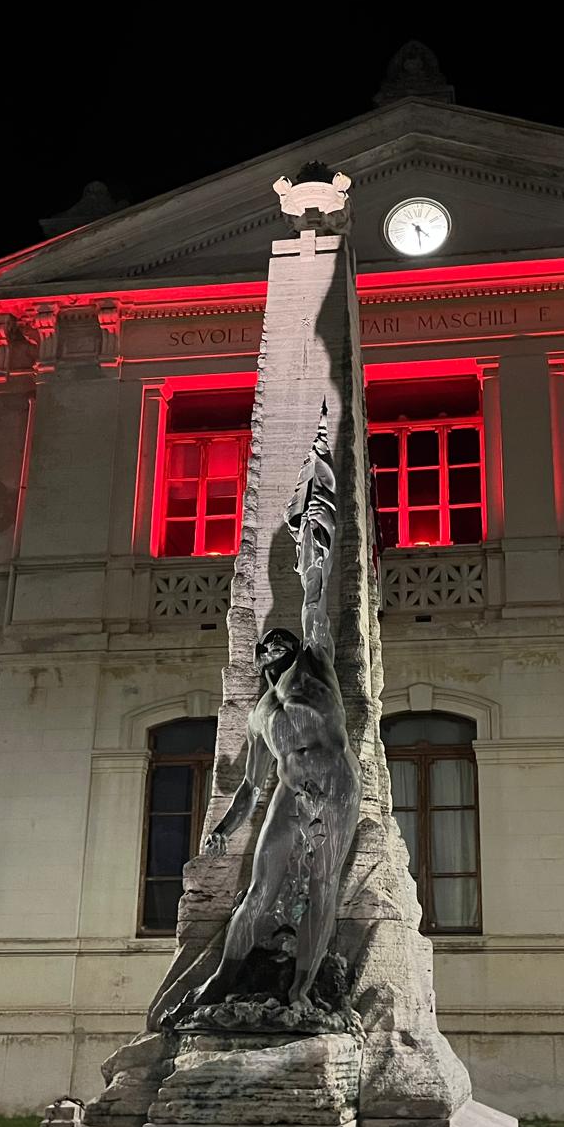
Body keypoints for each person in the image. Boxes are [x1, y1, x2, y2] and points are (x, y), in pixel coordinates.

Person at [184, 406, 361, 1010]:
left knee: (322, 887)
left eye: (281, 639)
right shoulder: (261, 714)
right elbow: (249, 787)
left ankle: (303, 991)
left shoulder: (316, 668)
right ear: (261, 659)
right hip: (290, 788)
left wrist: (314, 531)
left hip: (335, 782)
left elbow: (314, 598)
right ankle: (222, 981)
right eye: (268, 644)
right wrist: (225, 829)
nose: (276, 644)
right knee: (260, 886)